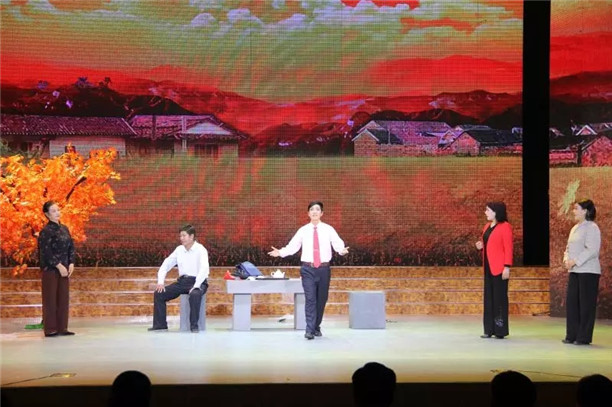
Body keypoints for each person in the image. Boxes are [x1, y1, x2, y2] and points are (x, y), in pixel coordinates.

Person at [268, 201, 349, 340]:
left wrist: (342, 250)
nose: (314, 212)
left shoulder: (328, 229)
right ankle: (309, 329)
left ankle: (316, 326)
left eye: (317, 209)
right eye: (312, 209)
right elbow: (292, 247)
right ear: (308, 213)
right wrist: (280, 252)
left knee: (321, 300)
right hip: (308, 269)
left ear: (322, 213)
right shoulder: (303, 230)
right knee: (310, 299)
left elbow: (338, 244)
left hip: (323, 269)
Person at [149, 224, 209, 333]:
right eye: (180, 236)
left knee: (195, 294)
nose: (181, 238)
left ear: (191, 236)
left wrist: (196, 286)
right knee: (159, 293)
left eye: (184, 236)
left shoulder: (201, 249)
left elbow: (204, 269)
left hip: (199, 281)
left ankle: (194, 326)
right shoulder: (179, 250)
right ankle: (160, 326)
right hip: (182, 282)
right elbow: (166, 264)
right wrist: (160, 282)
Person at [562, 199, 601, 345]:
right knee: (572, 303)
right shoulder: (574, 228)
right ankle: (571, 335)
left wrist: (575, 261)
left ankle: (583, 337)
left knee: (586, 305)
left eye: (576, 208)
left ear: (585, 211)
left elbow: (592, 250)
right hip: (574, 271)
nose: (574, 211)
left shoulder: (592, 227)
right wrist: (566, 259)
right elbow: (568, 248)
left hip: (588, 271)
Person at [38, 200, 75, 337]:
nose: (57, 213)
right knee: (50, 299)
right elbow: (46, 252)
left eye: (58, 210)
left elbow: (71, 246)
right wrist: (58, 265)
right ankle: (51, 329)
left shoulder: (64, 228)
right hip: (51, 269)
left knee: (63, 298)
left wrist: (71, 263)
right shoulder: (45, 231)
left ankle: (62, 328)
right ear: (47, 214)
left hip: (65, 268)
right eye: (53, 211)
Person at [475, 202, 513, 339]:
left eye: (488, 210)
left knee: (499, 299)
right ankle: (489, 329)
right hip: (488, 268)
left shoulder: (505, 227)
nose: (485, 212)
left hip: (500, 268)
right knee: (489, 299)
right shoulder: (486, 226)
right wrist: (481, 246)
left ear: (495, 212)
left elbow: (508, 247)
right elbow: (489, 245)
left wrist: (507, 266)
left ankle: (500, 330)